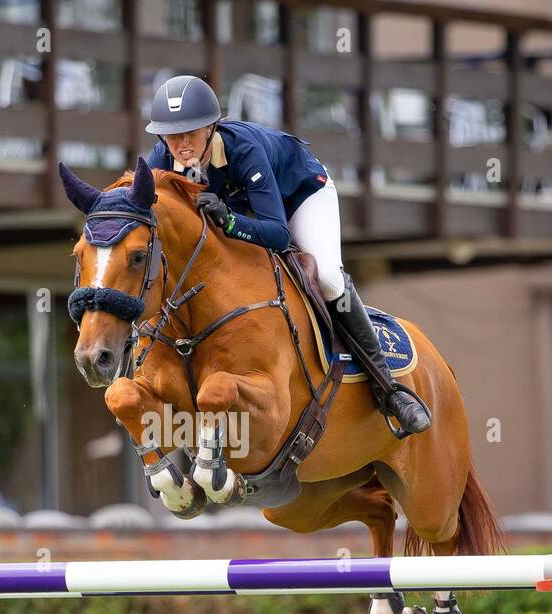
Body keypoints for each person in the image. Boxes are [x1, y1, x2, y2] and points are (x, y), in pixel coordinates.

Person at [143, 74, 430, 437]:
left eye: (191, 133)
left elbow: (278, 233)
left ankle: (389, 391)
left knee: (325, 275)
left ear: (211, 127)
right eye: (172, 135)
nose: (181, 144)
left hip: (301, 196)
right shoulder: (161, 160)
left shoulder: (244, 149)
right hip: (247, 208)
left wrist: (230, 221)